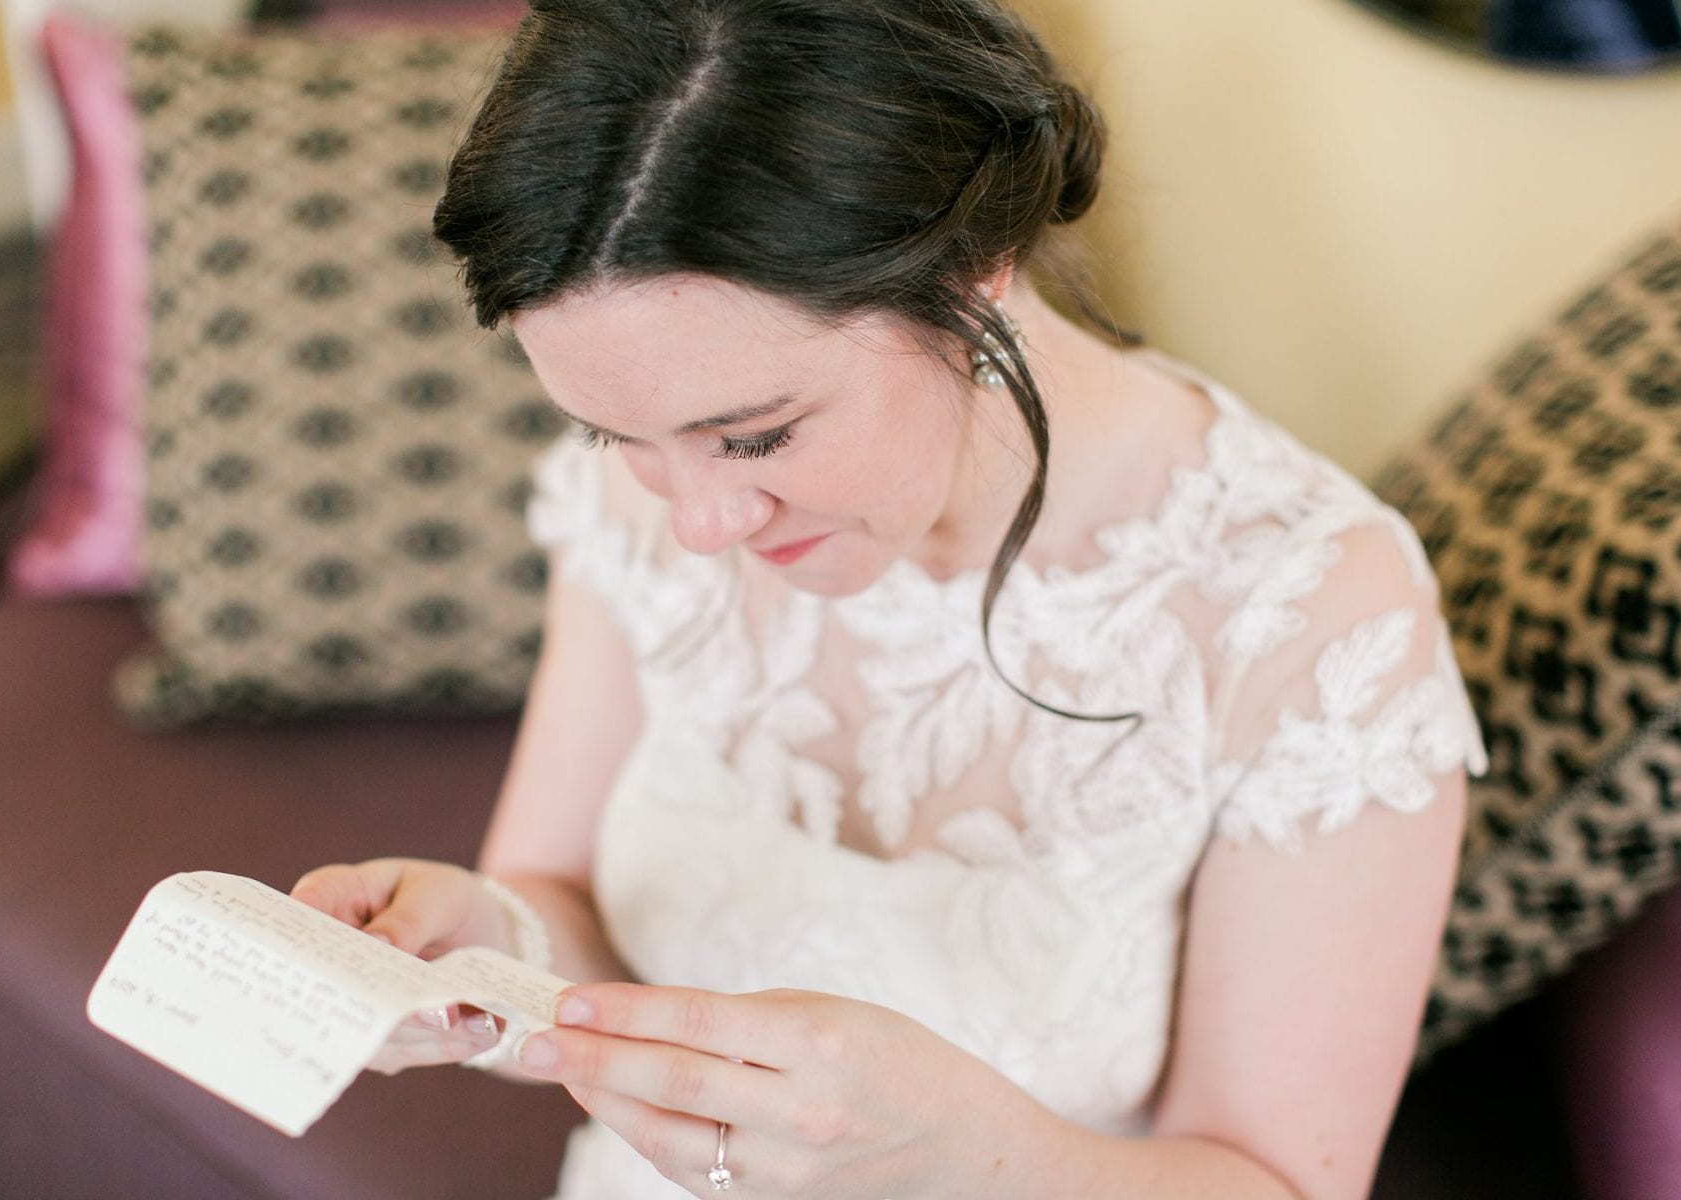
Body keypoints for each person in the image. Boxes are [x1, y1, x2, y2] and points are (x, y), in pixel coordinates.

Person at [291, 1, 1488, 1197]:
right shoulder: (642, 501)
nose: (698, 523)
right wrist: (488, 943)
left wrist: (966, 1154)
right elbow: (558, 898)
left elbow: (1283, 1181)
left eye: (754, 438)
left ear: (974, 276)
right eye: (615, 434)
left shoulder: (1312, 617)